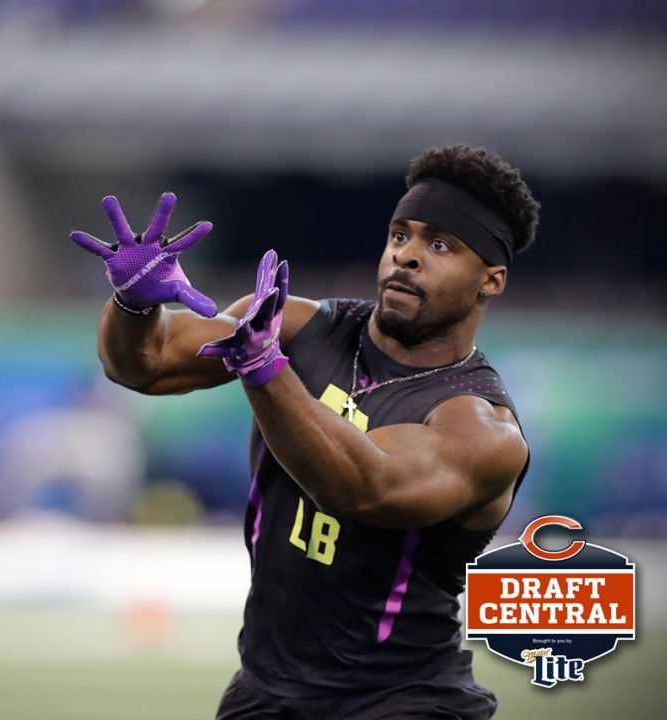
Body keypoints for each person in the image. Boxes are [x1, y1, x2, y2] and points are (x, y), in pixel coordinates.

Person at [70, 144, 538, 719]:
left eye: (439, 245)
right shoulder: (298, 326)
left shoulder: (481, 427)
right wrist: (132, 304)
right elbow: (144, 365)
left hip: (404, 702)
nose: (406, 257)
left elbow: (365, 487)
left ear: (490, 280)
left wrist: (267, 369)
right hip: (266, 691)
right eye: (400, 235)